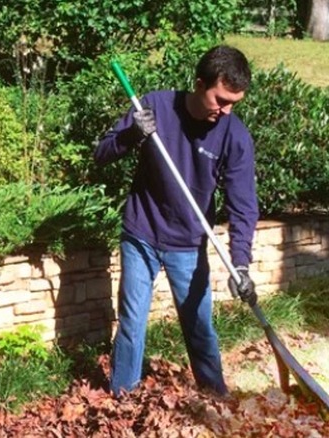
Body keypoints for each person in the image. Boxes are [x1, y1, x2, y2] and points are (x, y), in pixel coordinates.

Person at [94, 45, 259, 397]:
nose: (226, 111)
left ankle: (216, 397)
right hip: (141, 232)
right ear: (200, 84)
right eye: (221, 100)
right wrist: (131, 135)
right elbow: (101, 153)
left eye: (234, 103)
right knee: (132, 322)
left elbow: (243, 204)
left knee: (199, 327)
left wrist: (240, 264)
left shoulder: (234, 135)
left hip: (188, 243)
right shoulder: (154, 106)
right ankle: (122, 400)